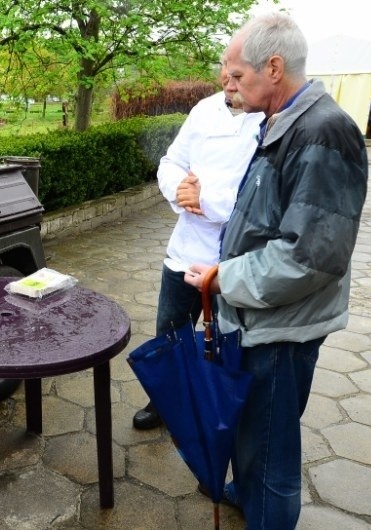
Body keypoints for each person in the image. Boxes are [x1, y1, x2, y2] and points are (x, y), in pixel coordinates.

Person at [184, 13, 367, 529]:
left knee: (271, 453)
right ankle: (246, 491)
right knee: (254, 433)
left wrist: (226, 278)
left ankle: (265, 507)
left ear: (275, 66)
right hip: (259, 318)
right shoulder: (282, 121)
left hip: (281, 329)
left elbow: (310, 257)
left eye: (237, 75)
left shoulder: (323, 133)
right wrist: (227, 267)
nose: (228, 84)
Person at [133, 63, 264, 430]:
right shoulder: (204, 110)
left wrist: (207, 199)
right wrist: (181, 190)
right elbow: (171, 161)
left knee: (227, 339)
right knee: (170, 333)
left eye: (237, 72)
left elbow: (257, 191)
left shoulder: (267, 119)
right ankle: (164, 402)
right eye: (224, 70)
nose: (228, 79)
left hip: (233, 259)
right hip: (186, 251)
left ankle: (216, 408)